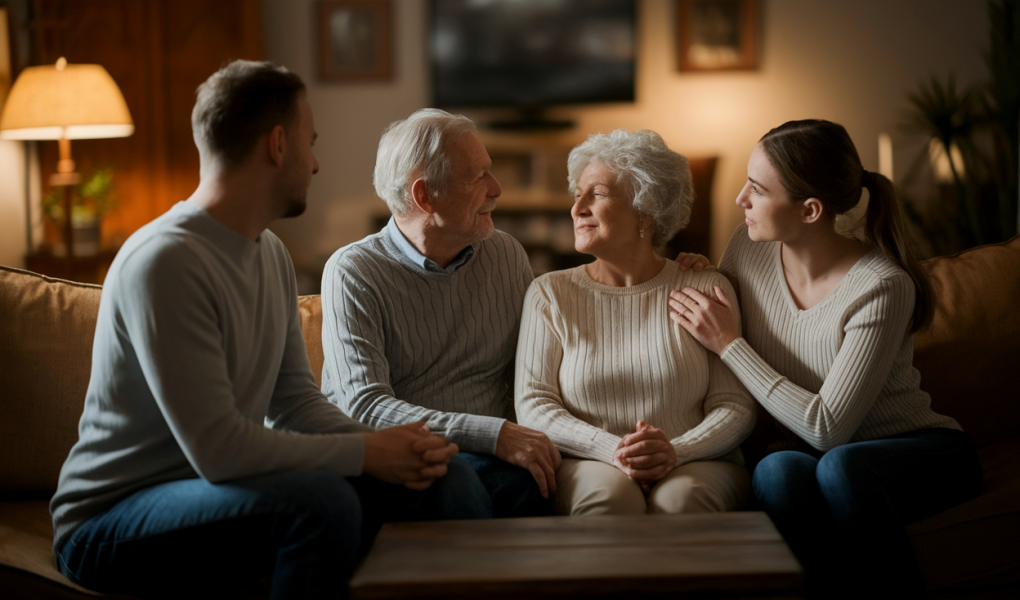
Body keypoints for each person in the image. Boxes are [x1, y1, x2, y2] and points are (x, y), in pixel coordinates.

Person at [50, 61, 488, 600]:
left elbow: (295, 403)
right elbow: (220, 451)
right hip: (111, 519)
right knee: (319, 503)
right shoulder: (165, 260)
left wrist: (387, 445)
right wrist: (366, 454)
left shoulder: (270, 252)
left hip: (216, 491)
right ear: (278, 145)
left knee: (447, 477)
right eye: (311, 143)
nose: (316, 163)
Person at [669, 119, 982, 596]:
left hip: (919, 454)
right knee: (776, 469)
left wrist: (730, 344)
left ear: (810, 210)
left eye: (757, 189)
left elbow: (828, 429)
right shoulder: (746, 249)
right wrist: (699, 276)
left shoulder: (881, 286)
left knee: (841, 466)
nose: (740, 199)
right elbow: (718, 324)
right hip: (822, 456)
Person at [320, 108, 560, 518]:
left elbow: (536, 366)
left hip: (495, 455)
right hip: (405, 456)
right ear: (424, 196)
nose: (497, 188)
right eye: (478, 177)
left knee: (532, 482)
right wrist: (493, 434)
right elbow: (365, 406)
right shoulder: (353, 271)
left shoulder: (506, 255)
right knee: (456, 482)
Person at [514, 129, 756, 516]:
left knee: (681, 501)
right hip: (588, 461)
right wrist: (616, 450)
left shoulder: (705, 286)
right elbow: (534, 405)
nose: (577, 209)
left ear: (646, 209)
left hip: (698, 459)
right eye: (577, 194)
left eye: (596, 194)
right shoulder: (549, 293)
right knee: (611, 499)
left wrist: (675, 451)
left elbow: (735, 405)